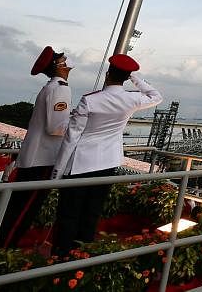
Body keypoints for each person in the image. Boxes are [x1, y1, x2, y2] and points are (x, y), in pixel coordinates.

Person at [51, 54, 162, 256]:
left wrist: (57, 171)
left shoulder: (91, 100)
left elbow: (71, 137)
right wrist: (133, 76)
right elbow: (156, 96)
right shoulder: (131, 99)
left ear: (108, 73)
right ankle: (82, 255)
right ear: (126, 77)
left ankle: (61, 256)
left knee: (69, 214)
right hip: (107, 164)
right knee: (92, 213)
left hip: (81, 165)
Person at [0, 46, 73, 248]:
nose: (67, 64)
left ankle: (0, 248)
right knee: (22, 214)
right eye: (63, 61)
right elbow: (56, 128)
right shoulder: (61, 89)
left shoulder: (51, 87)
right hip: (43, 160)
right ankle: (1, 253)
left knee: (16, 210)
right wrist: (79, 125)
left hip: (34, 158)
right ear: (57, 66)